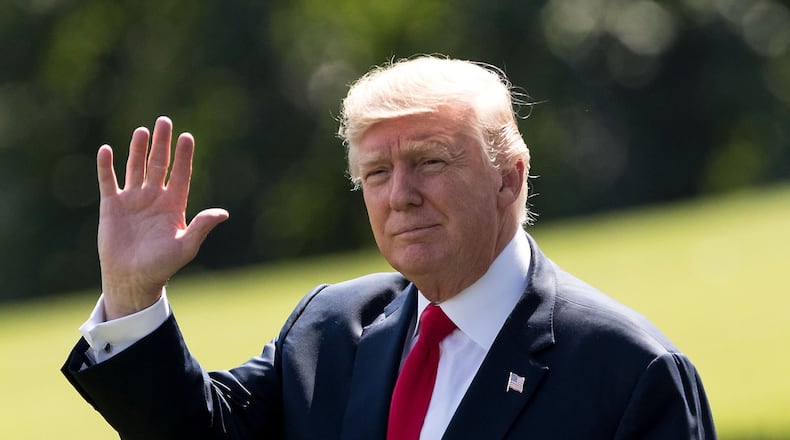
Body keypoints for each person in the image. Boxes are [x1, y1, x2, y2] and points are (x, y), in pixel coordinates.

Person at [62, 55, 716, 439]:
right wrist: (132, 294)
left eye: (430, 162)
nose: (399, 194)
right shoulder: (328, 330)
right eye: (376, 172)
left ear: (509, 177)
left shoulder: (630, 372)